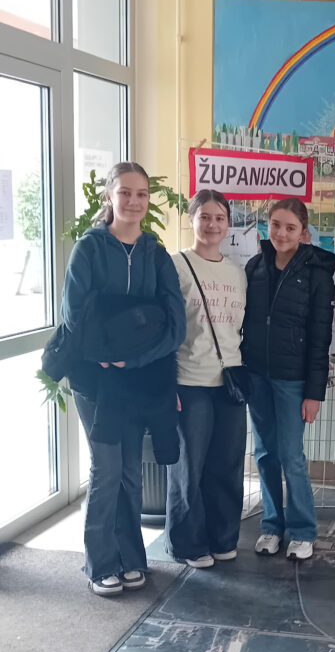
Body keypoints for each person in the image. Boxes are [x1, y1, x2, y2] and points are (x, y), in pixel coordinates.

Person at [61, 162, 186, 597]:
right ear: (110, 197)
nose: (134, 201)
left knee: (132, 471)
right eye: (125, 192)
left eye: (141, 194)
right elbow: (75, 318)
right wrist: (109, 357)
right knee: (108, 468)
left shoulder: (156, 254)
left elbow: (175, 326)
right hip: (95, 381)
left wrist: (132, 360)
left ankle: (132, 559)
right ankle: (100, 564)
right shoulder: (89, 249)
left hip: (138, 379)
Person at [242, 197, 335, 561]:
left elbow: (320, 337)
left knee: (291, 455)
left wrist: (314, 393)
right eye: (276, 225)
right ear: (267, 226)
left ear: (304, 232)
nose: (282, 233)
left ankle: (302, 531)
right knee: (264, 453)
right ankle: (271, 526)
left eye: (290, 227)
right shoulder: (255, 267)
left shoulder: (316, 275)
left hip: (292, 381)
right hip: (257, 376)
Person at [165, 190, 247, 569]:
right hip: (189, 382)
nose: (212, 224)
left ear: (228, 224)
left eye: (219, 217)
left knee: (227, 466)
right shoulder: (176, 266)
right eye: (205, 217)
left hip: (230, 383)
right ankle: (188, 544)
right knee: (189, 469)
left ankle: (223, 537)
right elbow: (165, 329)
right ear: (192, 220)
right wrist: (166, 384)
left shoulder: (237, 273)